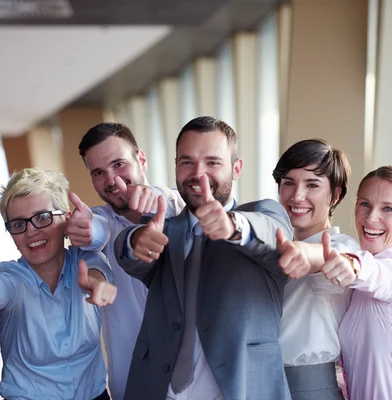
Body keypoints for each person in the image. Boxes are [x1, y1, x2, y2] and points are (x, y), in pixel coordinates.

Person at [114, 116, 293, 400]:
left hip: (242, 389)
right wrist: (134, 240)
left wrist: (233, 227)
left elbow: (276, 235)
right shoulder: (164, 230)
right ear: (175, 166)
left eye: (212, 162)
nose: (198, 174)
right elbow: (128, 254)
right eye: (187, 162)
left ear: (236, 168)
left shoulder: (259, 215)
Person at [0, 168, 117, 400]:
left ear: (66, 218)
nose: (31, 231)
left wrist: (98, 283)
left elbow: (97, 270)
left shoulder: (85, 260)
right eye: (18, 224)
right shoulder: (12, 276)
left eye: (43, 217)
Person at [279, 165, 392, 400]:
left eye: (388, 209)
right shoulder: (359, 290)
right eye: (365, 204)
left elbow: (372, 271)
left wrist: (351, 264)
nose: (371, 218)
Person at [69, 122, 185, 400]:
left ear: (141, 159)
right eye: (98, 172)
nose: (111, 180)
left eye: (118, 164)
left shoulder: (182, 207)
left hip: (195, 383)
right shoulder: (99, 222)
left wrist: (159, 199)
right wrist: (87, 230)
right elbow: (97, 237)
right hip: (134, 384)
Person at [272, 139, 359, 399]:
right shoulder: (272, 242)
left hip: (308, 388)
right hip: (260, 380)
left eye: (312, 185)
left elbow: (326, 260)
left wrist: (307, 256)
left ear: (335, 194)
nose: (297, 196)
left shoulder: (341, 246)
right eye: (289, 183)